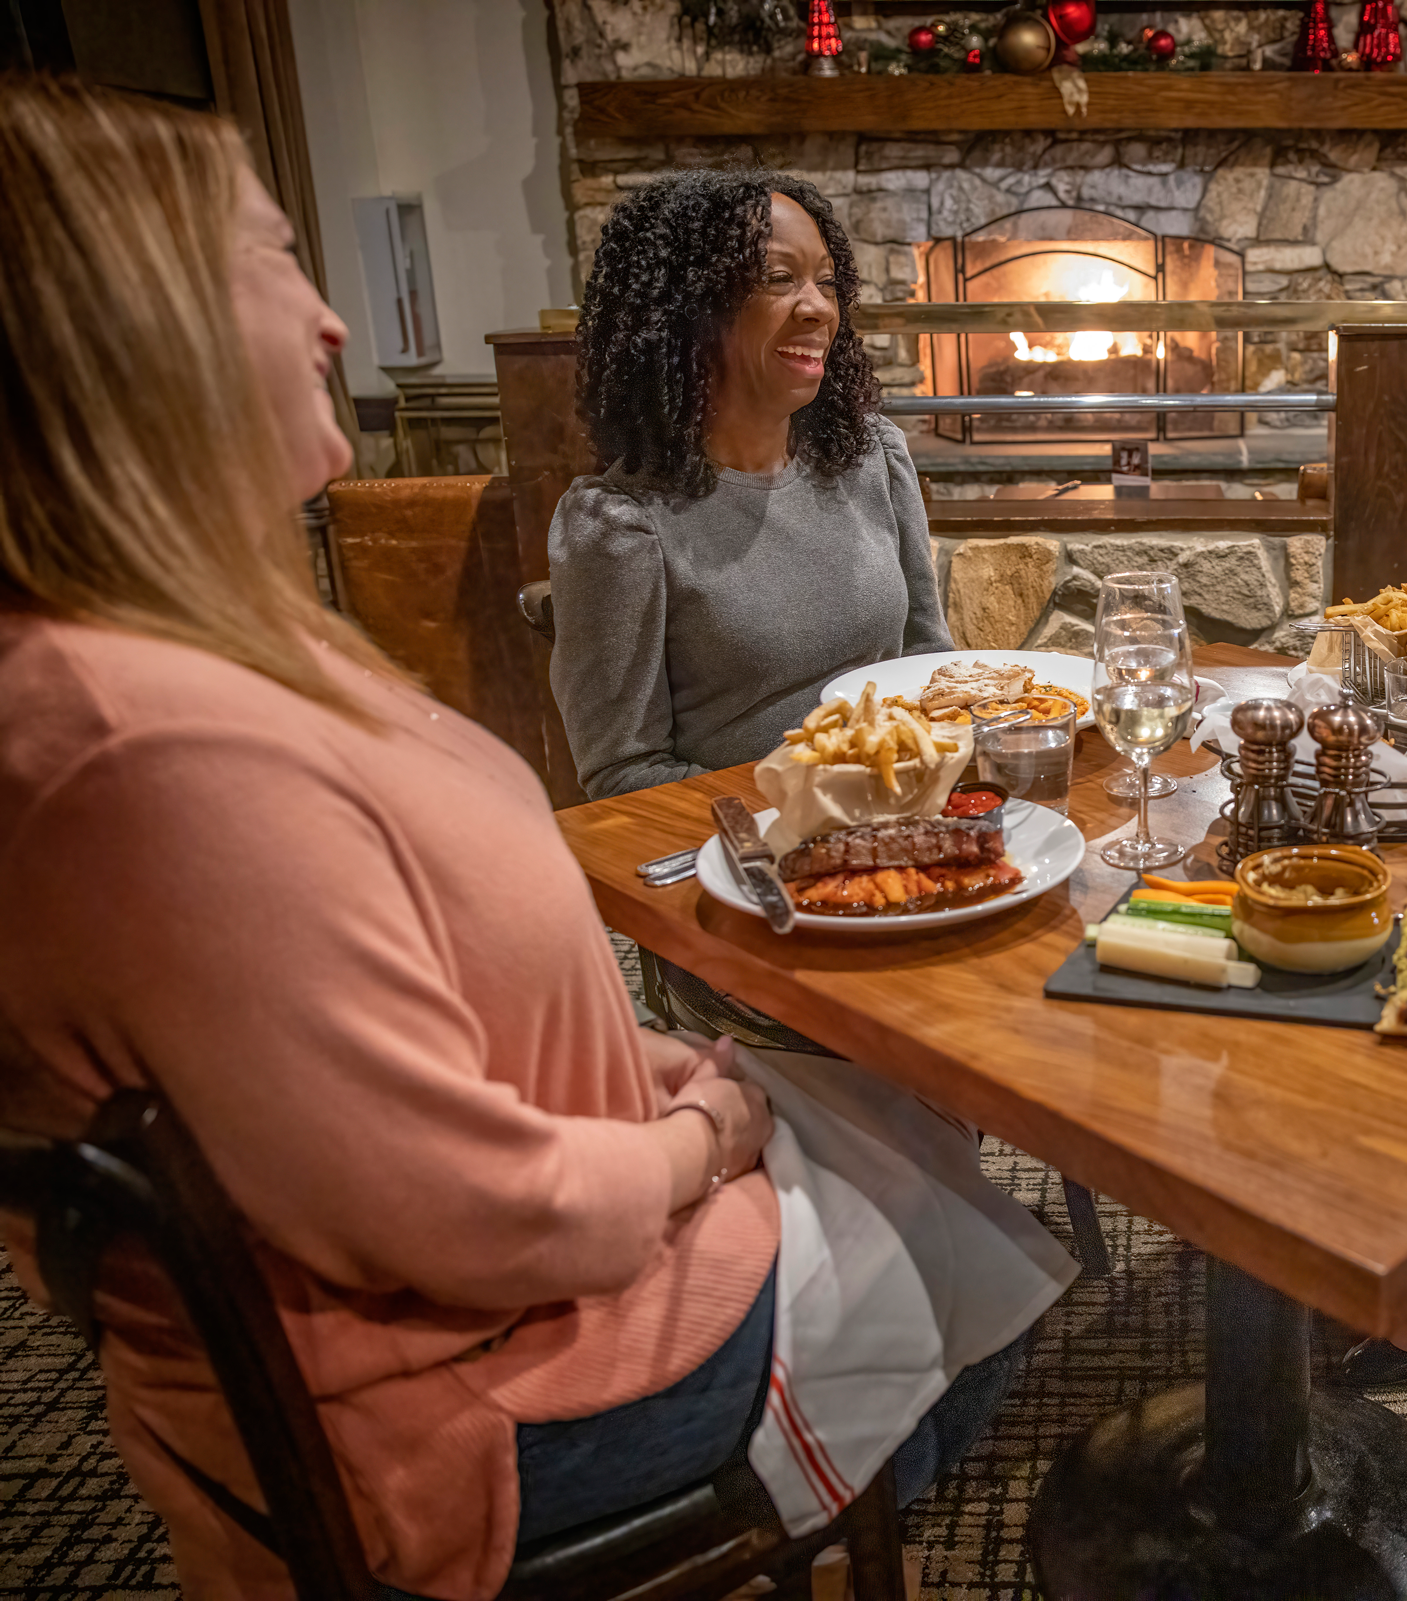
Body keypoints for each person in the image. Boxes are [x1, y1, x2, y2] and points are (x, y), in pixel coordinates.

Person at [0, 79, 1041, 1601]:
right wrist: (701, 1132)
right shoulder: (138, 746)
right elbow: (477, 1211)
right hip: (483, 1388)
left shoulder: (210, 645)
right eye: (275, 258)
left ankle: (848, 1458)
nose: (340, 323)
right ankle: (812, 1506)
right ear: (121, 318)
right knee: (967, 1222)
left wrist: (670, 1085)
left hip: (575, 1176)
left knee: (931, 1171)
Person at [550, 168, 950, 802]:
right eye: (777, 279)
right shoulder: (622, 523)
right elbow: (623, 776)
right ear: (686, 310)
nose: (819, 307)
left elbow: (931, 669)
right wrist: (813, 804)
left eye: (827, 281)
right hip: (750, 849)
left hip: (907, 813)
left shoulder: (874, 456)